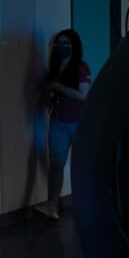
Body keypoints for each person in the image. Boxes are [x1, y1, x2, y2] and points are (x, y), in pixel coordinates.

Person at [36, 29, 91, 220]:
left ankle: (86, 205)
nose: (62, 47)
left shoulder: (81, 68)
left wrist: (59, 88)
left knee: (80, 165)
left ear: (74, 46)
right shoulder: (53, 68)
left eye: (66, 43)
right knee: (56, 165)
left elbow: (83, 95)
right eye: (59, 43)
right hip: (58, 121)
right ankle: (52, 205)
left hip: (78, 122)